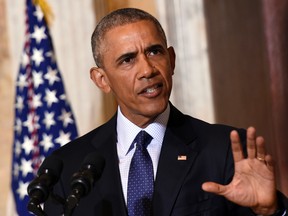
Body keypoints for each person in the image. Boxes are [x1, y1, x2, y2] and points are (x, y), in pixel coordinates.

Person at [44, 8, 288, 215]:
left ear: (171, 59)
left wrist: (271, 211)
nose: (147, 69)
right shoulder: (68, 167)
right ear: (102, 80)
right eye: (128, 60)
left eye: (154, 51)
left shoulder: (224, 151)